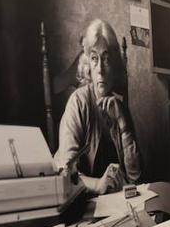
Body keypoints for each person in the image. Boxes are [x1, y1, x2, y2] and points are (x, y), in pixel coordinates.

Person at [55, 19, 141, 194]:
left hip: (115, 203)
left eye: (107, 60)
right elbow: (66, 174)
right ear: (88, 65)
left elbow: (136, 177)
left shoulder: (120, 107)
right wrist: (98, 185)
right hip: (83, 202)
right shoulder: (78, 102)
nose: (100, 69)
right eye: (94, 59)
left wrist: (123, 123)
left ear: (115, 67)